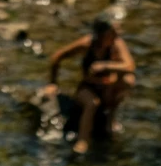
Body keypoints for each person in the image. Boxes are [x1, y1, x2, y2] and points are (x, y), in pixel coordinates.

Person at [40, 13, 136, 155]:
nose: (118, 34)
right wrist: (52, 83)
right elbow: (57, 57)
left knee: (128, 81)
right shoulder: (87, 43)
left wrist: (105, 66)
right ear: (103, 33)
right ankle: (83, 140)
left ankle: (111, 118)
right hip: (88, 87)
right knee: (92, 104)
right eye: (114, 31)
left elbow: (130, 66)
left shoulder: (117, 43)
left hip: (108, 87)